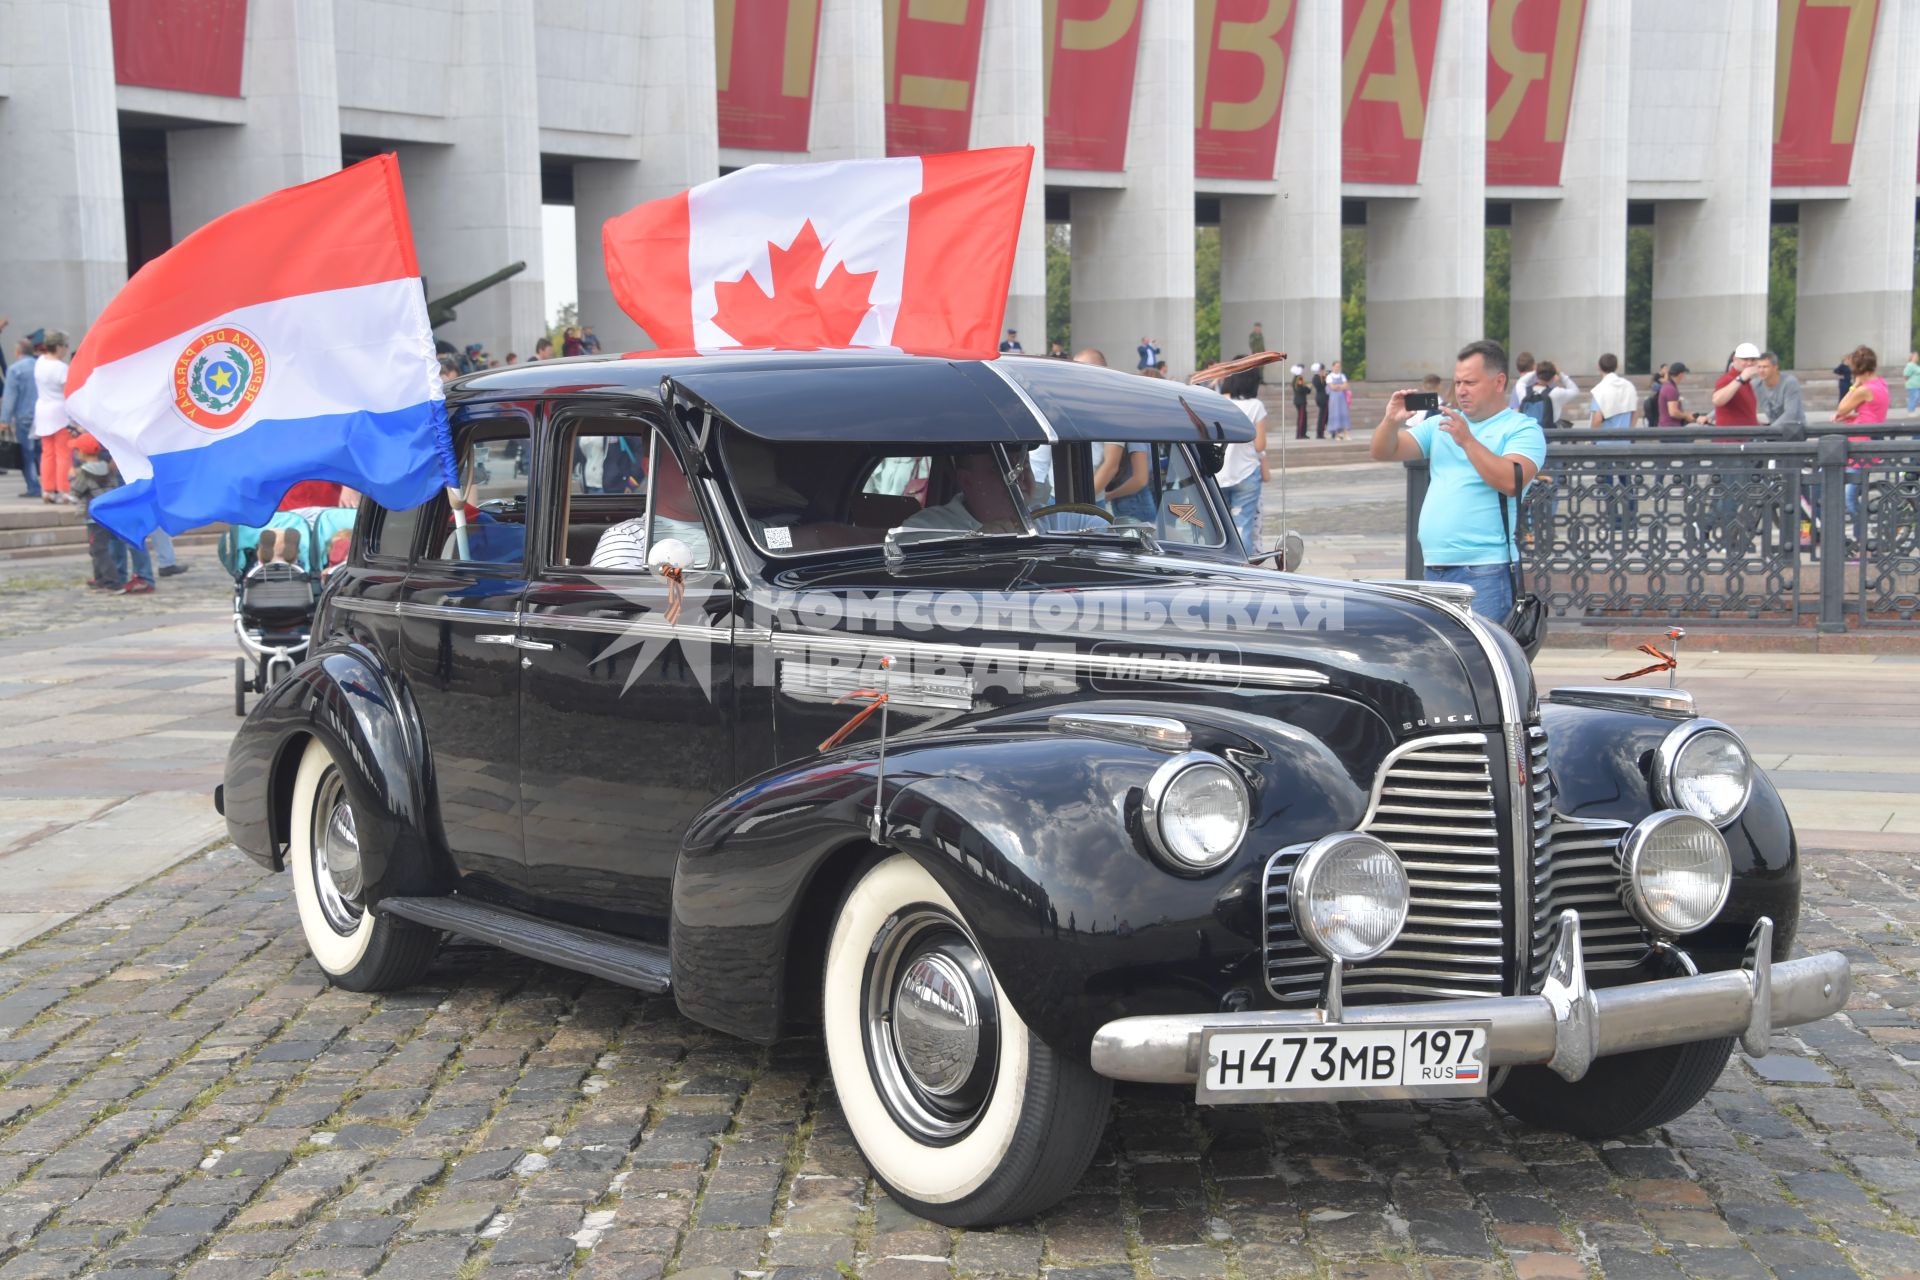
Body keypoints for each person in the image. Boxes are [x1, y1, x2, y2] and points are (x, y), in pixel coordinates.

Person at [1369, 339, 1545, 622]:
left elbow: (1512, 481)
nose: (1461, 390)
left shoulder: (1521, 429)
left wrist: (1467, 441)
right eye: (1458, 382)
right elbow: (1382, 451)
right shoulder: (1442, 423)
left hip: (1486, 569)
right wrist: (1391, 421)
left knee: (1481, 660)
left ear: (1499, 382)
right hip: (1434, 567)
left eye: (1471, 383)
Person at [1215, 364, 1268, 550]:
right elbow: (1260, 445)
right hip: (1246, 473)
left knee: (1219, 528)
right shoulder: (1256, 406)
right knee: (1242, 527)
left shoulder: (1218, 402)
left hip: (1219, 474)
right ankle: (1241, 570)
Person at [33, 332, 74, 504]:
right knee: (63, 453)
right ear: (58, 347)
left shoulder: (39, 362)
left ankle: (47, 490)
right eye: (65, 346)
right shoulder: (61, 367)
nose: (66, 350)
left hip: (42, 410)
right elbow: (69, 390)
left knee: (47, 453)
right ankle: (64, 489)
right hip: (59, 412)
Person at [1, 337, 40, 498]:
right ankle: (53, 486)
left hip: (24, 417)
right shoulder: (41, 365)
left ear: (17, 352)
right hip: (43, 416)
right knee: (44, 453)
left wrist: (4, 420)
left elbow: (10, 397)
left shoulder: (15, 369)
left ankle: (34, 487)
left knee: (27, 453)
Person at [1709, 342, 1763, 429]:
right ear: (1735, 359)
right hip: (1731, 439)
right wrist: (1741, 378)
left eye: (1753, 360)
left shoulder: (1746, 382)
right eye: (1745, 359)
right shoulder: (1728, 379)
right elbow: (1717, 400)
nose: (1749, 363)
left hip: (1742, 438)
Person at [1755, 352, 1804, 432]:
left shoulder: (1789, 382)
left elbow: (1791, 413)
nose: (1761, 370)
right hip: (1773, 431)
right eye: (1759, 367)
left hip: (1794, 431)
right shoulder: (1756, 384)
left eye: (1765, 367)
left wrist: (1769, 431)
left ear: (1775, 367)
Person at [1588, 353, 1638, 431]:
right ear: (1617, 366)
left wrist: (1591, 438)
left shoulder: (1599, 390)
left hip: (1605, 440)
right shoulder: (1629, 386)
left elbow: (1597, 419)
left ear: (1599, 367)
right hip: (1625, 439)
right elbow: (1635, 413)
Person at [1326, 360, 1350, 438]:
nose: (1337, 368)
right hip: (1334, 398)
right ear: (1333, 367)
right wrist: (1340, 386)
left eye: (1339, 367)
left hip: (1342, 398)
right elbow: (1332, 387)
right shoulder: (1329, 376)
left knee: (1344, 413)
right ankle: (1337, 434)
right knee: (1335, 413)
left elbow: (1345, 386)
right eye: (1336, 366)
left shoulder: (1342, 375)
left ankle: (1346, 433)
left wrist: (1338, 386)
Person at [1290, 364, 1308, 439]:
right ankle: (1299, 434)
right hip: (1300, 400)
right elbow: (1300, 389)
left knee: (1303, 417)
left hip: (1300, 400)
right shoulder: (1299, 378)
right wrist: (1307, 389)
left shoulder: (1297, 378)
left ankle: (1303, 433)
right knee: (1301, 418)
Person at [1311, 363, 1329, 438]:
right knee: (1322, 417)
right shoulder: (1317, 377)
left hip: (1321, 398)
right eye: (1322, 370)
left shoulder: (1318, 377)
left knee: (1324, 416)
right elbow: (1323, 385)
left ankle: (1321, 433)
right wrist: (1325, 376)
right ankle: (1320, 433)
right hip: (1322, 398)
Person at [1903, 351, 1920, 415]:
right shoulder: (1910, 365)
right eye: (1915, 356)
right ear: (1911, 357)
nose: (1916, 358)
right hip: (1913, 386)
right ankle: (1911, 411)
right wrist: (1907, 382)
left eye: (1917, 356)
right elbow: (1906, 375)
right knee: (1914, 398)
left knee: (1916, 398)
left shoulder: (1916, 366)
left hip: (1918, 386)